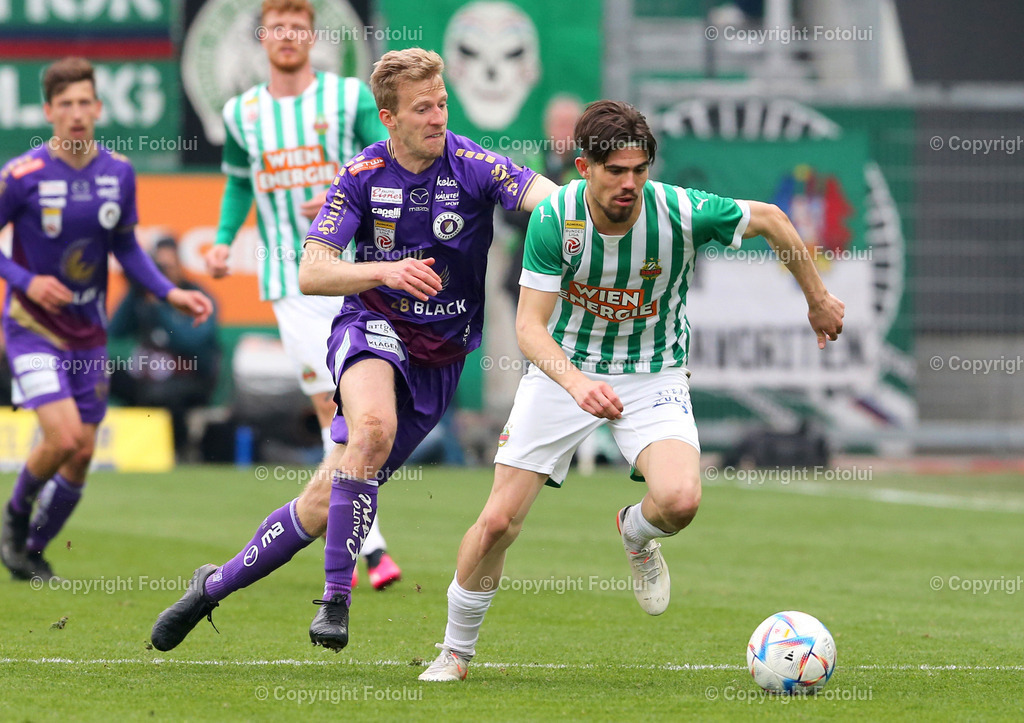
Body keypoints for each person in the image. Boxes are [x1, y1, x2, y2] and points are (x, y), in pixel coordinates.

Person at [418, 100, 846, 681]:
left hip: (653, 371)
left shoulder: (679, 210)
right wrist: (575, 383)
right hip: (564, 369)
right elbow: (528, 327)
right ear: (585, 165)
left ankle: (637, 534)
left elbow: (771, 216)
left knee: (681, 501)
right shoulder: (556, 220)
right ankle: (454, 652)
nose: (630, 183)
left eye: (640, 169)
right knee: (498, 522)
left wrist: (817, 299)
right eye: (616, 170)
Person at [149, 47, 557, 652]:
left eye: (442, 103)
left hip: (439, 363)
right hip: (372, 327)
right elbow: (312, 273)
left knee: (321, 502)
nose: (438, 117)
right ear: (388, 118)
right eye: (422, 108)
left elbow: (547, 199)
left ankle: (212, 587)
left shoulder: (473, 163)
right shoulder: (363, 174)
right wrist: (384, 272)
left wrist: (586, 212)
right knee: (369, 428)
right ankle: (336, 600)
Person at [203, 0, 400, 588]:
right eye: (277, 27)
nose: (288, 36)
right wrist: (220, 242)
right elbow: (240, 184)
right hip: (290, 283)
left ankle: (364, 543)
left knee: (357, 413)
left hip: (354, 275)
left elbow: (390, 157)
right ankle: (370, 546)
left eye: (298, 26)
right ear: (262, 37)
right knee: (332, 410)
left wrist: (346, 193)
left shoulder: (347, 99)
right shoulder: (242, 112)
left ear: (313, 36)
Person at [0, 57, 213, 582]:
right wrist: (27, 281)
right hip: (31, 328)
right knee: (65, 437)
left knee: (82, 454)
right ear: (48, 111)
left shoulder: (117, 172)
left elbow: (126, 249)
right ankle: (13, 517)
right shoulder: (22, 175)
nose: (76, 114)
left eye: (84, 103)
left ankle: (32, 549)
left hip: (88, 334)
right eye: (65, 104)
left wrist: (170, 292)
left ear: (98, 107)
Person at [109, 236, 220, 459]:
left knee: (166, 394)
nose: (163, 274)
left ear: (180, 266)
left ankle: (177, 452)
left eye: (167, 267)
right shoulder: (142, 296)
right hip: (145, 377)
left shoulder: (197, 296)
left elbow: (191, 341)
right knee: (101, 372)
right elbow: (115, 330)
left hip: (187, 378)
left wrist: (163, 302)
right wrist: (136, 287)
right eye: (156, 268)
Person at [500, 94, 584, 302]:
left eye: (570, 125)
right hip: (527, 263)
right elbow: (509, 212)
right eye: (559, 124)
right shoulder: (528, 165)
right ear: (548, 128)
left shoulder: (588, 168)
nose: (564, 132)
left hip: (575, 272)